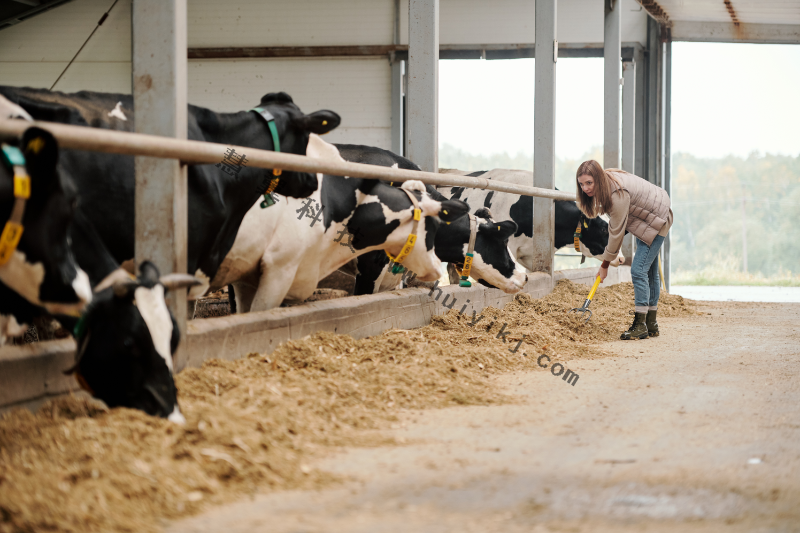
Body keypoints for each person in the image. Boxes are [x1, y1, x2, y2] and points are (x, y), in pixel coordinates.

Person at [575, 160, 673, 340]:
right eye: (581, 184)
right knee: (650, 271)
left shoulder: (616, 194)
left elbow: (616, 233)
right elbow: (618, 229)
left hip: (658, 217)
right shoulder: (608, 181)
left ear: (598, 178)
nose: (585, 189)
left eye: (589, 183)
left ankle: (640, 324)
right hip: (649, 214)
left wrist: (605, 264)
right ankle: (651, 323)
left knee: (638, 270)